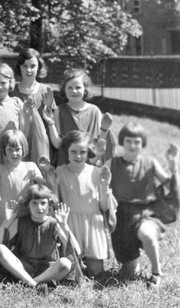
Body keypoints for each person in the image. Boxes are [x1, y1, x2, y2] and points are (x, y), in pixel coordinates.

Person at [107, 123, 179, 286]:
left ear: (143, 143)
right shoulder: (112, 163)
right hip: (121, 217)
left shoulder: (150, 162)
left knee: (147, 234)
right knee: (129, 272)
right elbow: (98, 183)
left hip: (146, 212)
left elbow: (168, 183)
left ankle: (157, 272)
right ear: (122, 142)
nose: (133, 145)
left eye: (137, 142)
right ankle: (133, 264)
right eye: (129, 141)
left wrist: (173, 166)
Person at [43, 131, 115, 277]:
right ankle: (75, 263)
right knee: (73, 272)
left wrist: (104, 187)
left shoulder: (96, 172)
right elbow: (56, 206)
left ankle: (88, 262)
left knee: (96, 273)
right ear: (66, 151)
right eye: (73, 151)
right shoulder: (60, 172)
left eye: (82, 152)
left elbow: (104, 207)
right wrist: (54, 187)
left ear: (88, 152)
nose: (78, 156)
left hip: (93, 225)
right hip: (70, 223)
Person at [0, 184, 79, 292]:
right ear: (28, 205)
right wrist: (7, 221)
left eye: (43, 203)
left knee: (65, 263)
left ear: (49, 204)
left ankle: (32, 282)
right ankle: (33, 283)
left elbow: (77, 251)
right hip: (23, 268)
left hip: (48, 270)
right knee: (0, 249)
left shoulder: (53, 223)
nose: (39, 207)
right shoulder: (21, 221)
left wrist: (64, 225)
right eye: (34, 203)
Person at [0, 130, 46, 258]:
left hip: (26, 210)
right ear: (4, 150)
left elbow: (44, 186)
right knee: (0, 241)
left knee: (24, 244)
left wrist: (47, 173)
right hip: (6, 211)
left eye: (17, 149)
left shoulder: (31, 167)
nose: (14, 153)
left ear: (24, 149)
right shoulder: (0, 169)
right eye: (10, 149)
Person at [41, 68, 114, 167]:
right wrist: (50, 122)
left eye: (78, 87)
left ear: (85, 89)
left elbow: (99, 144)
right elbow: (58, 144)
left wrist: (104, 129)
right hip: (66, 165)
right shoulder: (59, 111)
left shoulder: (94, 111)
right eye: (69, 87)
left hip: (88, 165)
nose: (74, 91)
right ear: (64, 89)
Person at [9, 48, 54, 163]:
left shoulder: (45, 91)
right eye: (24, 66)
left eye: (33, 66)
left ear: (39, 67)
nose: (28, 70)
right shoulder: (12, 92)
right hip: (17, 146)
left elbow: (52, 120)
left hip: (40, 145)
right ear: (19, 67)